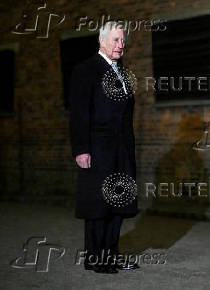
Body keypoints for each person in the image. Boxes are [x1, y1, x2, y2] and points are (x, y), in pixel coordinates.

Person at [69, 21, 139, 274]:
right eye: (115, 40)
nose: (120, 45)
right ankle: (95, 259)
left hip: (122, 149)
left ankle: (112, 255)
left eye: (123, 41)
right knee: (98, 205)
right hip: (97, 148)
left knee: (119, 204)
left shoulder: (123, 73)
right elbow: (79, 113)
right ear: (101, 41)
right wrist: (81, 149)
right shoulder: (85, 70)